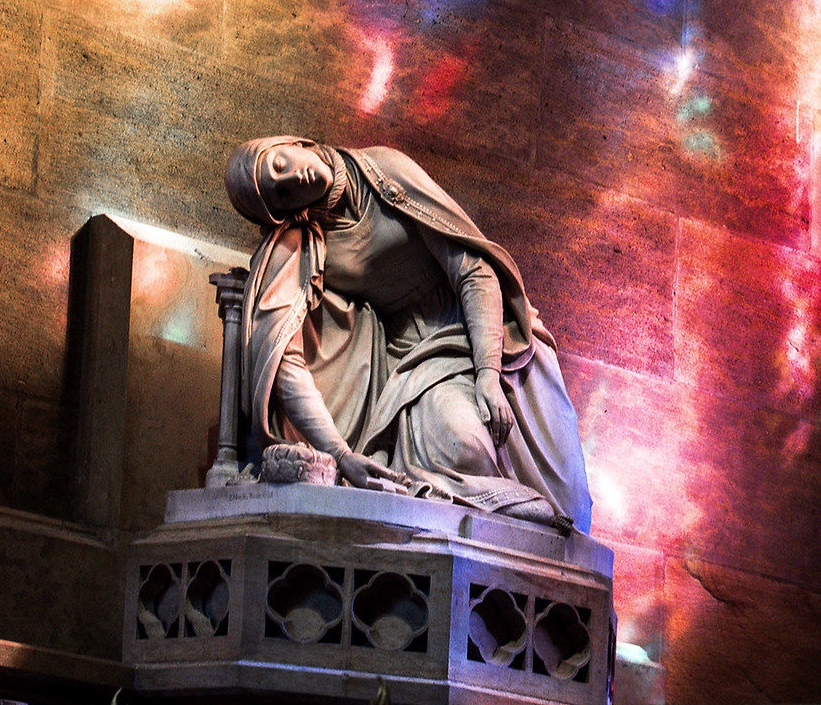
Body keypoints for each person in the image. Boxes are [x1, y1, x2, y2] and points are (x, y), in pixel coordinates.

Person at [225, 136, 593, 534]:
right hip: (416, 360)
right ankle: (511, 512)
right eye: (280, 194)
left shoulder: (383, 171)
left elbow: (473, 268)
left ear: (296, 143)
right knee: (464, 446)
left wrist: (487, 373)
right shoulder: (306, 245)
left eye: (281, 164)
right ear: (282, 213)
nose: (295, 179)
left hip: (487, 334)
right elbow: (286, 365)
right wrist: (341, 454)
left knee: (571, 494)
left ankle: (524, 517)